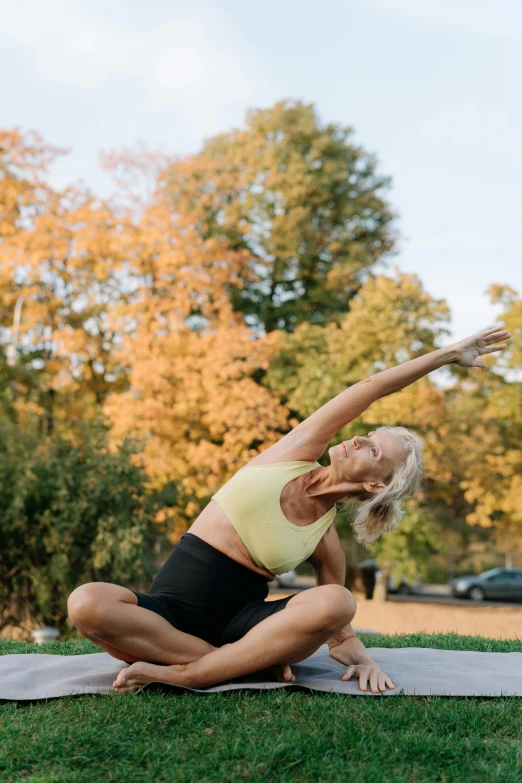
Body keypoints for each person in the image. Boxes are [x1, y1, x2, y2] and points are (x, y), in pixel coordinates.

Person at [67, 326, 510, 694]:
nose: (357, 438)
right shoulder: (291, 455)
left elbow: (336, 628)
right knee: (87, 602)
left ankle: (196, 673)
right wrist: (448, 354)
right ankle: (233, 667)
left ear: (375, 484)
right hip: (168, 615)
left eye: (372, 448)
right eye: (367, 433)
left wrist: (364, 660)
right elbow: (370, 388)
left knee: (338, 598)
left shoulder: (325, 540)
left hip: (244, 627)